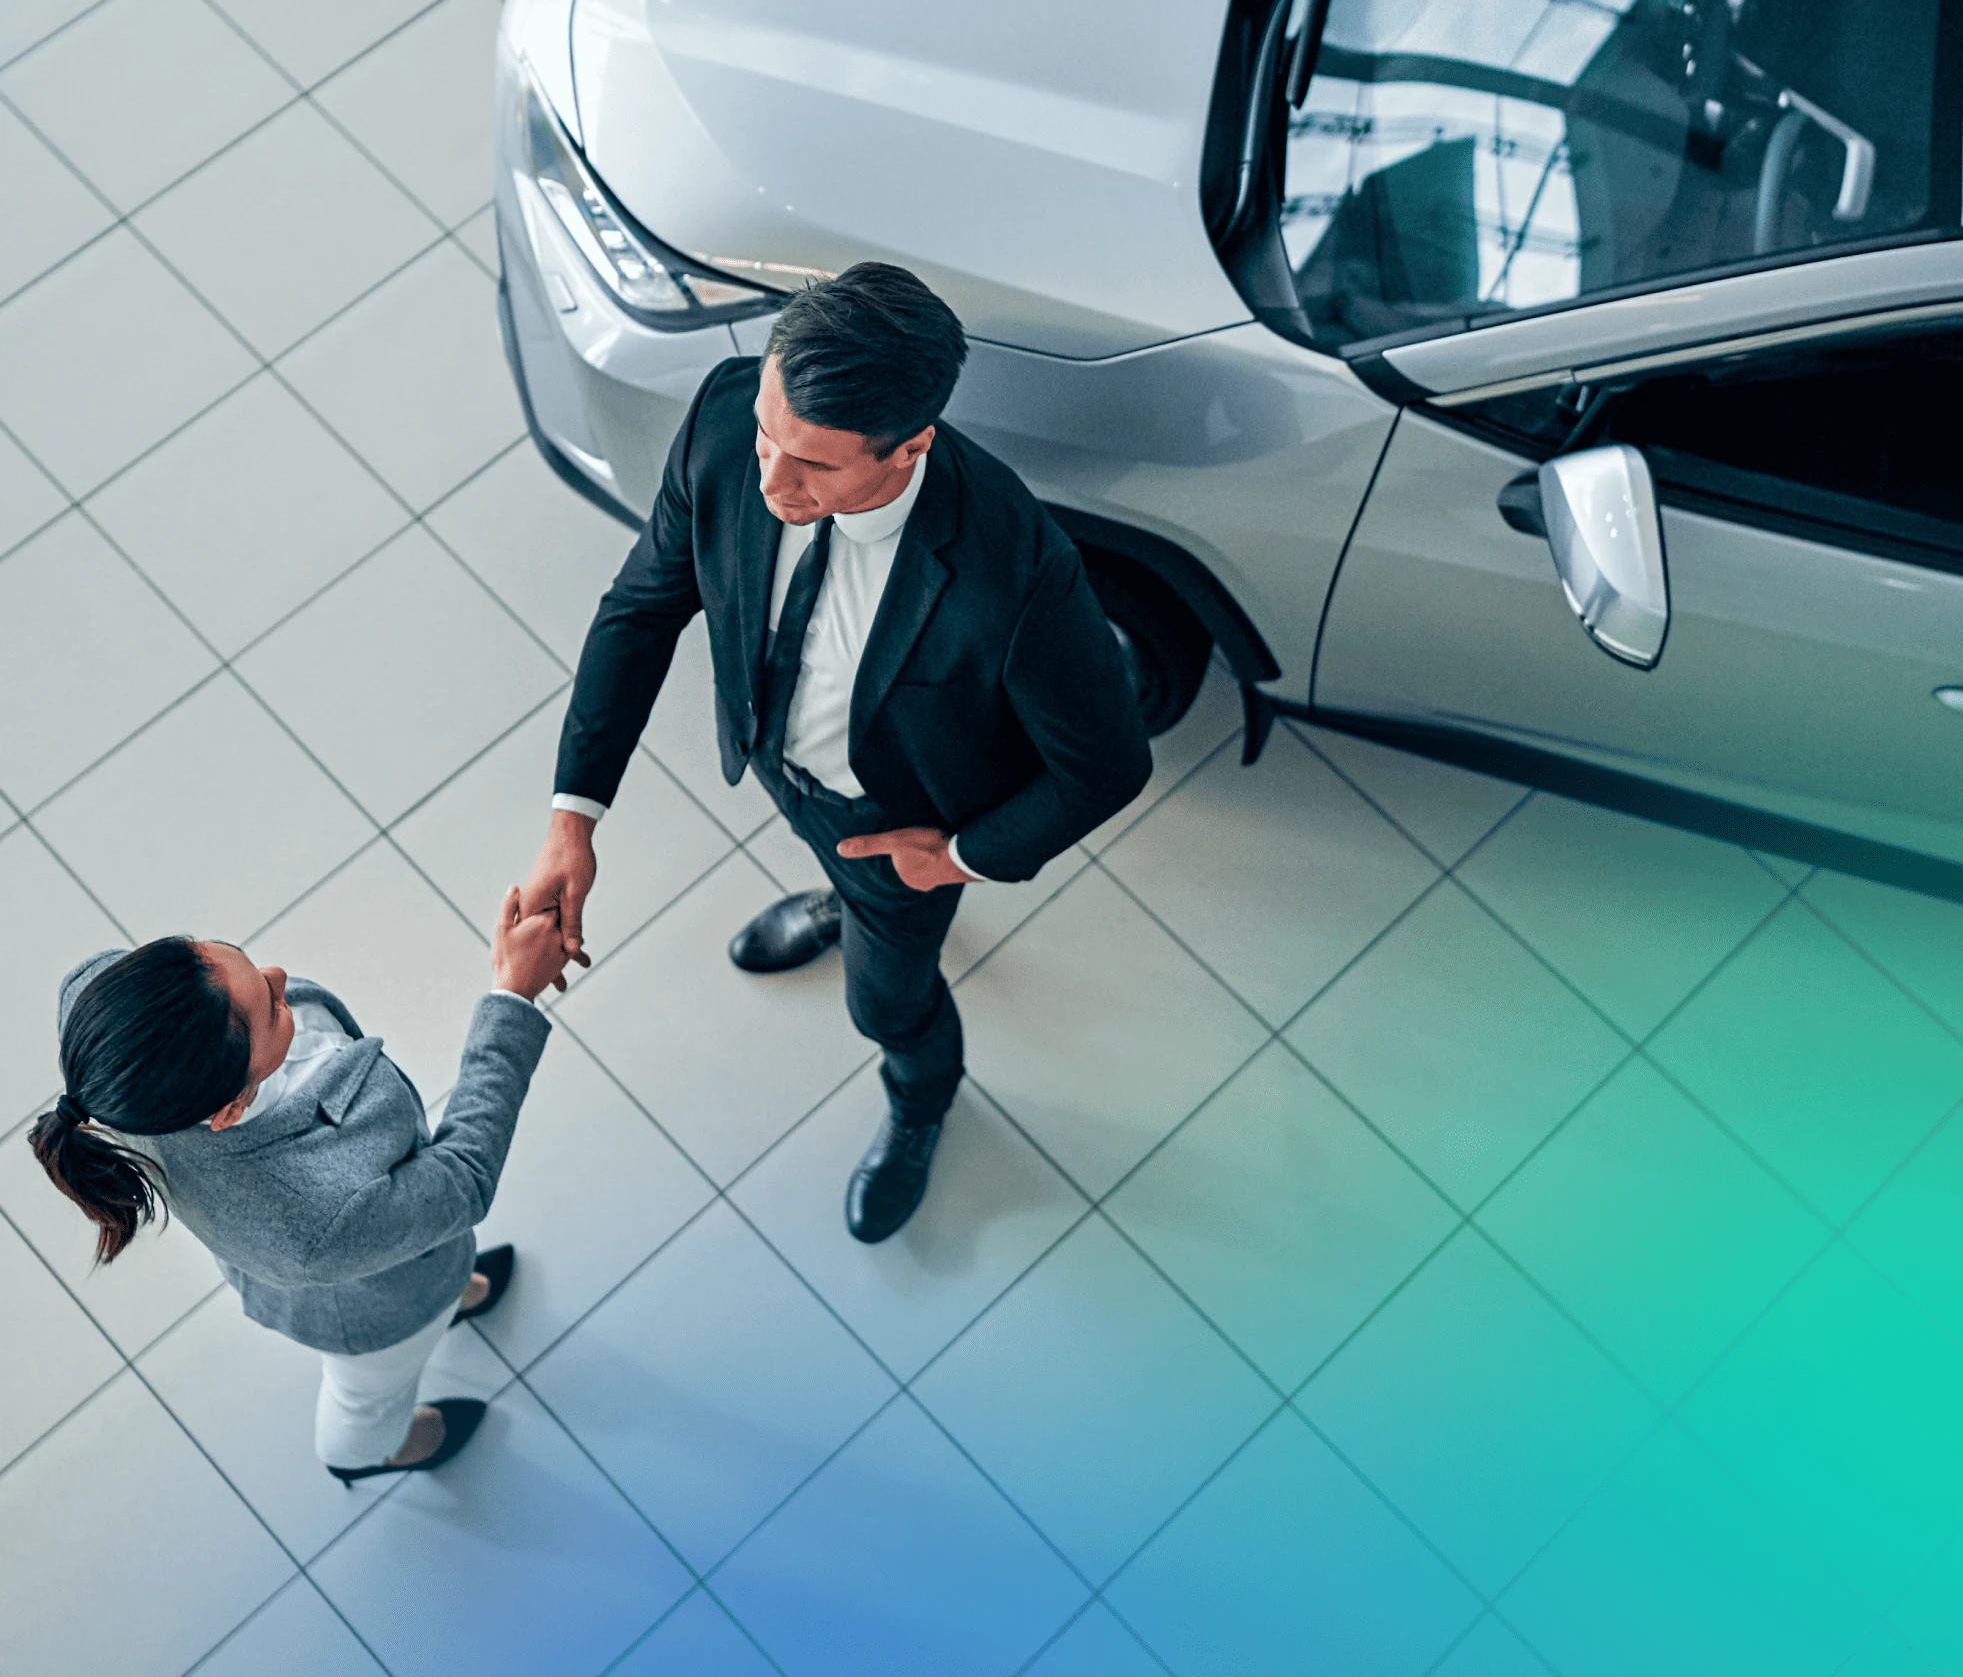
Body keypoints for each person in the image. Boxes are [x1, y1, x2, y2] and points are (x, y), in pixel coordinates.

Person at [524, 261, 1152, 1243]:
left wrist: (955, 857)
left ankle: (922, 1100)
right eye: (772, 438)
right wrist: (574, 823)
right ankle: (840, 899)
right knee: (845, 882)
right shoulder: (737, 412)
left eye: (813, 465)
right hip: (788, 770)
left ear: (910, 449)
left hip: (898, 825)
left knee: (887, 1001)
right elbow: (646, 606)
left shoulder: (1015, 568)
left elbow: (1108, 765)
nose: (771, 480)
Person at [31, 891, 567, 1483]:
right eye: (272, 1008)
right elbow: (462, 1177)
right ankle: (365, 1452)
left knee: (423, 1256)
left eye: (238, 958)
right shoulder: (318, 1220)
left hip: (365, 1245)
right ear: (230, 1110)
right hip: (370, 1313)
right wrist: (514, 996)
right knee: (368, 1392)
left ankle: (445, 1282)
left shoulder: (101, 1013)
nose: (279, 974)